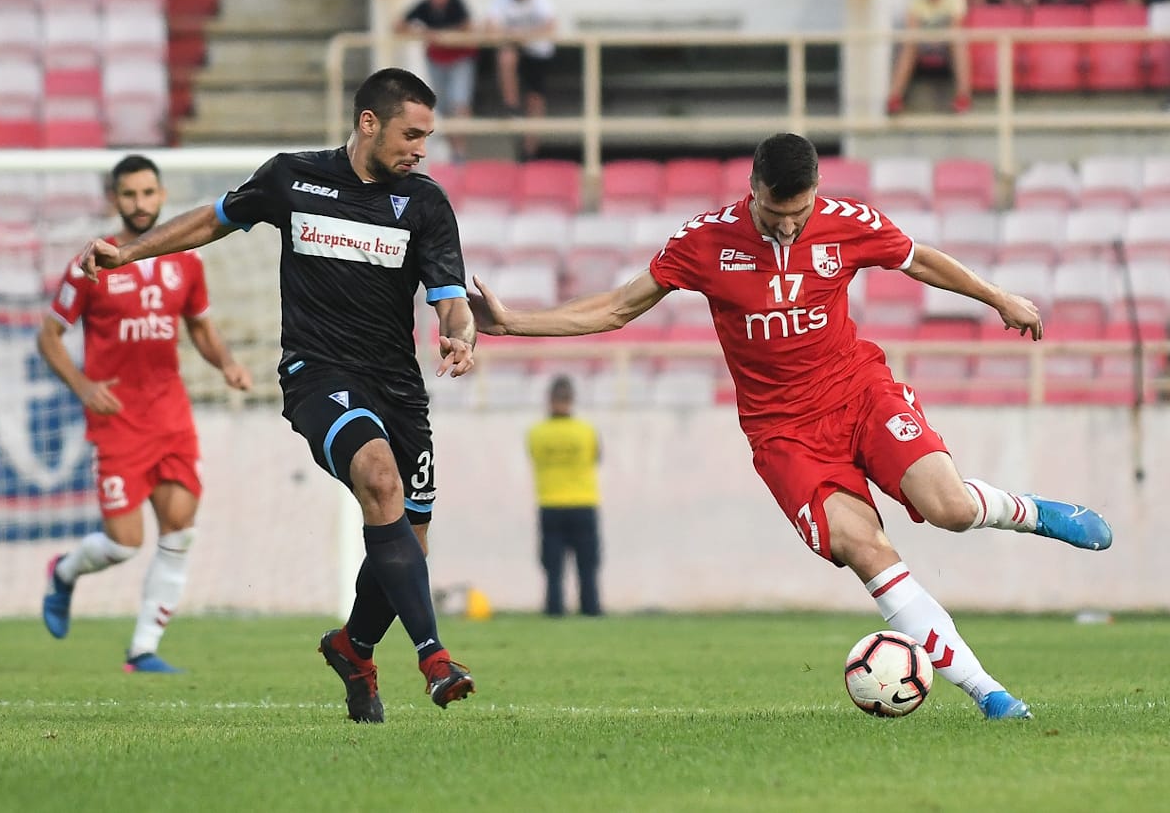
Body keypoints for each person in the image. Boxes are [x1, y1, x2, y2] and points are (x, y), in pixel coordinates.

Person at [472, 132, 1114, 721]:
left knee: (949, 508)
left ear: (816, 192)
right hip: (785, 435)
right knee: (864, 550)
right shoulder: (704, 242)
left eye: (799, 213)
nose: (787, 225)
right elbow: (617, 307)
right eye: (776, 213)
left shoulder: (847, 222)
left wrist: (998, 297)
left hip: (860, 394)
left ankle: (1033, 512)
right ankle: (989, 693)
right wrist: (511, 322)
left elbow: (919, 260)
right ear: (752, 188)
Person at [76, 68, 477, 722]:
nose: (421, 150)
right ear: (369, 122)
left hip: (399, 389)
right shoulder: (293, 177)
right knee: (379, 480)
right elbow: (214, 220)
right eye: (412, 134)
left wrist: (460, 335)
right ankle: (434, 658)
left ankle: (354, 648)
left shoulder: (425, 203)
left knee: (409, 539)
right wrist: (131, 253)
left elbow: (451, 299)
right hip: (318, 374)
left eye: (427, 137)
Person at [39, 154, 252, 673]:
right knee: (124, 543)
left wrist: (227, 363)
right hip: (117, 421)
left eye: (148, 193)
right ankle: (64, 572)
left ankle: (143, 649)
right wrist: (83, 386)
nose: (140, 203)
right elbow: (49, 337)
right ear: (114, 199)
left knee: (180, 530)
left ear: (162, 196)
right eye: (129, 194)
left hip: (170, 416)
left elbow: (200, 328)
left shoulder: (186, 263)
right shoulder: (91, 263)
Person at [527, 375, 602, 617]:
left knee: (553, 567)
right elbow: (596, 457)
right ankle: (591, 610)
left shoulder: (537, 432)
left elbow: (534, 457)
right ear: (572, 399)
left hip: (550, 503)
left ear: (549, 399)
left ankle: (554, 610)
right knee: (587, 566)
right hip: (583, 503)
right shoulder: (586, 431)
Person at [395, 0, 477, 162]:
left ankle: (460, 149)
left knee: (460, 103)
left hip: (459, 59)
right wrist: (423, 33)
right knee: (444, 107)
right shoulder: (424, 6)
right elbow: (398, 25)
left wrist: (442, 35)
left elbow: (467, 26)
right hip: (437, 61)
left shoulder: (456, 3)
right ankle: (455, 151)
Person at [485, 0, 557, 161]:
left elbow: (551, 25)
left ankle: (530, 149)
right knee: (506, 56)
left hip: (538, 52)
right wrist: (512, 36)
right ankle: (512, 107)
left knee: (535, 99)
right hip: (516, 47)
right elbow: (490, 27)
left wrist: (525, 34)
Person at [887, 0, 972, 116]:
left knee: (959, 41)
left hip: (946, 42)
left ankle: (963, 97)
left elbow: (955, 26)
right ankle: (894, 97)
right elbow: (912, 29)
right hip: (922, 42)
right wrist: (928, 39)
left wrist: (937, 38)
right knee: (908, 44)